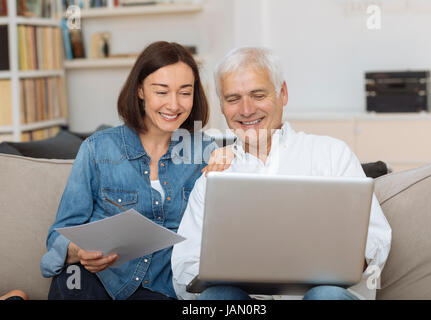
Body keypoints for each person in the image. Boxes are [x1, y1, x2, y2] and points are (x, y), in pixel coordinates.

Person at [171, 47, 392, 300]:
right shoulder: (214, 176)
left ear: (282, 94)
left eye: (258, 95)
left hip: (320, 296)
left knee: (325, 296)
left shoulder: (332, 154)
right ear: (222, 106)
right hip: (246, 302)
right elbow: (183, 270)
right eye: (233, 99)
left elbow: (377, 240)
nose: (246, 110)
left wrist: (347, 260)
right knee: (217, 298)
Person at [40, 41, 230, 300]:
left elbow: (222, 231)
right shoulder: (98, 149)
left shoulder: (205, 152)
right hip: (96, 281)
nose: (174, 105)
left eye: (184, 92)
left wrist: (230, 168)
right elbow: (59, 234)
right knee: (72, 283)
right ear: (140, 90)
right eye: (161, 92)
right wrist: (79, 252)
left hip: (161, 288)